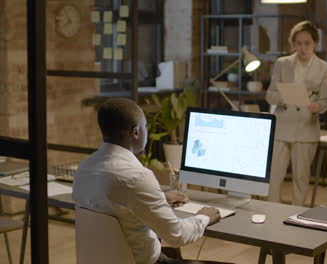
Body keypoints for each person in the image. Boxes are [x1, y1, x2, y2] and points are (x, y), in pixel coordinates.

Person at [72, 98, 223, 264]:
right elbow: (177, 235)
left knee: (167, 247)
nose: (147, 131)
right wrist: (204, 217)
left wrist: (160, 197)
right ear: (136, 132)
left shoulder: (84, 168)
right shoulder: (137, 177)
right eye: (145, 126)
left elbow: (113, 202)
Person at [265, 21, 327, 206]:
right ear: (293, 44)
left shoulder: (324, 67)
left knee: (301, 178)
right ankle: (271, 215)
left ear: (315, 43)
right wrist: (283, 97)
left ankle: (295, 218)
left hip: (306, 127)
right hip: (282, 126)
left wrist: (318, 107)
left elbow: (326, 101)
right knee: (274, 176)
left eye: (307, 43)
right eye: (299, 43)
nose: (303, 48)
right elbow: (270, 94)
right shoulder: (282, 63)